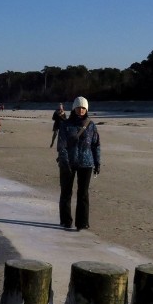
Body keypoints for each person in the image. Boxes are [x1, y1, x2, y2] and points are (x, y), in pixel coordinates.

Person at [56, 96, 100, 231]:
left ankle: (82, 223)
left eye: (83, 108)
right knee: (66, 193)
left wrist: (97, 162)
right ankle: (65, 221)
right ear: (74, 108)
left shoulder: (91, 125)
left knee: (83, 194)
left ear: (86, 109)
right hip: (68, 163)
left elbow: (96, 145)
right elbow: (61, 146)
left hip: (86, 164)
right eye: (78, 107)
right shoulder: (65, 125)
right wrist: (64, 162)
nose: (80, 110)